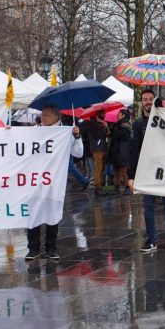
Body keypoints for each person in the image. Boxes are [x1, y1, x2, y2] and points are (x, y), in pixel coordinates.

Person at [26, 104, 83, 261]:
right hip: (36, 179)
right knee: (33, 212)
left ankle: (51, 248)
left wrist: (77, 137)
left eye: (46, 115)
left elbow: (78, 153)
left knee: (53, 212)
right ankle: (33, 248)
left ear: (56, 117)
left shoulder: (66, 132)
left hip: (55, 180)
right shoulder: (35, 130)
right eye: (42, 115)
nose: (42, 118)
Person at [127, 89, 165, 253]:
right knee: (148, 206)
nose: (148, 102)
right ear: (141, 102)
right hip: (147, 171)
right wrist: (131, 176)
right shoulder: (137, 125)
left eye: (150, 99)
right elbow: (133, 151)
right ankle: (151, 240)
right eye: (145, 99)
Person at [107, 109, 133, 195]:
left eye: (119, 114)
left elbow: (119, 135)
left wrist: (114, 127)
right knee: (117, 170)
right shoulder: (119, 124)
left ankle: (127, 187)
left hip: (122, 150)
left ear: (123, 115)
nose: (118, 115)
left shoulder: (124, 125)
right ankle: (117, 187)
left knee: (123, 171)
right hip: (118, 150)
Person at [83, 113, 109, 194]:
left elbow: (107, 134)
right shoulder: (91, 124)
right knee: (98, 168)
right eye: (102, 113)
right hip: (97, 148)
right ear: (97, 115)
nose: (103, 115)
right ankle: (97, 186)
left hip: (103, 147)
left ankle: (100, 184)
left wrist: (105, 125)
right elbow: (97, 134)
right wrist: (102, 124)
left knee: (102, 167)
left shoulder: (101, 123)